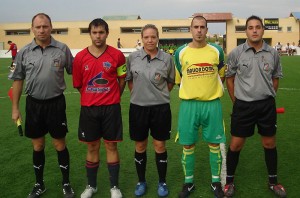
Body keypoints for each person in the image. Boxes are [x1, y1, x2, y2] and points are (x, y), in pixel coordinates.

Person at [9, 13, 75, 198]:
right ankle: (39, 184)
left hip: (56, 104)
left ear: (51, 27)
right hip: (34, 105)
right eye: (38, 27)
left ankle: (66, 183)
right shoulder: (24, 52)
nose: (42, 30)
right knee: (37, 145)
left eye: (45, 26)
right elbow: (17, 80)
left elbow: (76, 72)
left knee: (59, 144)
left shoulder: (62, 49)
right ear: (32, 29)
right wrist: (15, 108)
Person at [224, 15, 287, 198]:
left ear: (262, 30)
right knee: (236, 144)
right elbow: (230, 78)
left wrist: (268, 96)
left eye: (257, 27)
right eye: (250, 27)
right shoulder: (236, 53)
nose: (254, 30)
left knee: (269, 143)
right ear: (246, 31)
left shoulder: (273, 53)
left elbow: (275, 78)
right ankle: (229, 182)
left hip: (266, 105)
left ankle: (273, 182)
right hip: (243, 106)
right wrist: (236, 100)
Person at [72, 18, 126, 198]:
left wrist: (113, 96)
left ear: (107, 33)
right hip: (89, 109)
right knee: (92, 146)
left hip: (111, 108)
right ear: (90, 34)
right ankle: (91, 186)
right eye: (94, 32)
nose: (98, 36)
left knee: (111, 146)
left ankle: (114, 188)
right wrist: (91, 96)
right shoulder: (80, 57)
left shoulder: (117, 55)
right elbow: (79, 85)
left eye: (101, 32)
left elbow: (122, 78)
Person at [174, 16, 226, 198]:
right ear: (190, 29)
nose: (199, 30)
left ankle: (215, 182)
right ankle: (188, 183)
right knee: (187, 145)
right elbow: (179, 79)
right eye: (195, 27)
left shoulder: (217, 51)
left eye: (202, 27)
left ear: (207, 29)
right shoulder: (180, 52)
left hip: (212, 104)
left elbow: (221, 75)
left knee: (214, 144)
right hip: (189, 105)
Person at [125, 24, 175, 197]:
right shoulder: (132, 58)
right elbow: (130, 81)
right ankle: (141, 181)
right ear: (142, 38)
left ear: (158, 38)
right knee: (140, 145)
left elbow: (170, 83)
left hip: (160, 108)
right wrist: (140, 95)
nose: (150, 40)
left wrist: (157, 96)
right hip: (138, 108)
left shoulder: (167, 59)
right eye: (146, 37)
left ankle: (162, 182)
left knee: (160, 145)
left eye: (153, 37)